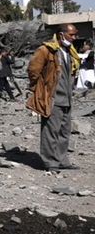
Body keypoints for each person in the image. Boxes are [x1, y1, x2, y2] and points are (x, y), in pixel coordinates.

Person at [27, 24, 80, 173]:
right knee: (51, 131)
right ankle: (50, 162)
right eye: (71, 35)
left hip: (67, 98)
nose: (74, 38)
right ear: (61, 34)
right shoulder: (46, 50)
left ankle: (62, 160)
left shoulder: (69, 51)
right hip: (53, 98)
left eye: (75, 35)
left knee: (64, 131)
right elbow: (33, 70)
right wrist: (40, 89)